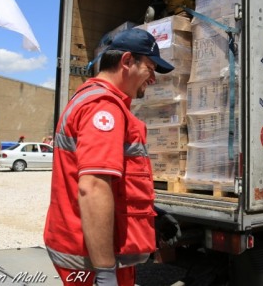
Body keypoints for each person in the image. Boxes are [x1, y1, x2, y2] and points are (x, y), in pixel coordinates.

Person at [44, 28, 177, 286]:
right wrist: (105, 271)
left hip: (87, 250)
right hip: (92, 260)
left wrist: (151, 214)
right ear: (127, 61)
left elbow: (115, 182)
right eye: (150, 68)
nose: (152, 79)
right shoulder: (103, 107)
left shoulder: (88, 97)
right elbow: (93, 187)